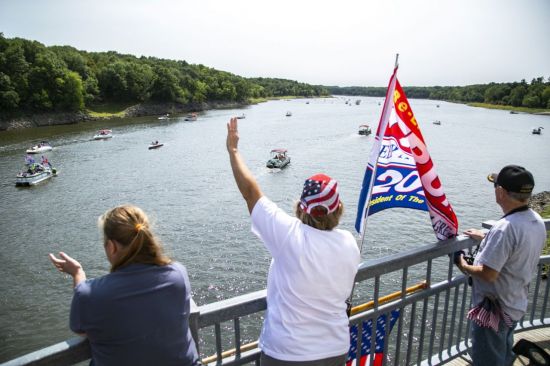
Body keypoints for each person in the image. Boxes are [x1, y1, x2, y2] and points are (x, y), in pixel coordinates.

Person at [226, 117, 360, 365]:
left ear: (301, 207)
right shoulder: (349, 243)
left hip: (288, 353)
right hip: (335, 348)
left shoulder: (288, 235)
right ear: (339, 208)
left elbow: (250, 192)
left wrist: (233, 151)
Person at [49, 205, 200, 366]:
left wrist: (78, 274)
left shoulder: (90, 293)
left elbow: (82, 329)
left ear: (112, 246)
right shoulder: (178, 274)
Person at [455, 165, 546, 366]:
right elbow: (516, 246)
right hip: (514, 304)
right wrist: (486, 237)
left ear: (501, 192)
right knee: (502, 354)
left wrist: (462, 263)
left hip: (494, 311)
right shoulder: (535, 221)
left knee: (488, 360)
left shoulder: (504, 229)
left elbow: (488, 274)